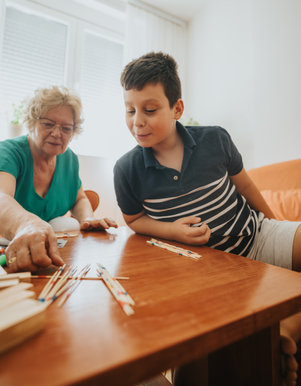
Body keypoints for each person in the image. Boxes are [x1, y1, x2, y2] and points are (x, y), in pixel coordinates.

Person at [113, 52, 301, 386]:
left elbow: (245, 186)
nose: (137, 121)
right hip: (205, 271)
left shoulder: (215, 139)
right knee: (197, 363)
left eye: (150, 110)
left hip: (257, 237)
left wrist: (279, 230)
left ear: (177, 109)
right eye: (130, 110)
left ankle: (282, 332)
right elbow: (135, 220)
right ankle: (277, 337)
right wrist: (172, 230)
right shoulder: (126, 170)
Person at [0, 86, 117, 273]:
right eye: (48, 124)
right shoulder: (9, 152)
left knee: (68, 225)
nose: (57, 133)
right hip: (7, 244)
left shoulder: (69, 159)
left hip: (43, 252)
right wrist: (28, 225)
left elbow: (79, 198)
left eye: (66, 128)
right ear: (31, 122)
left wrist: (87, 218)